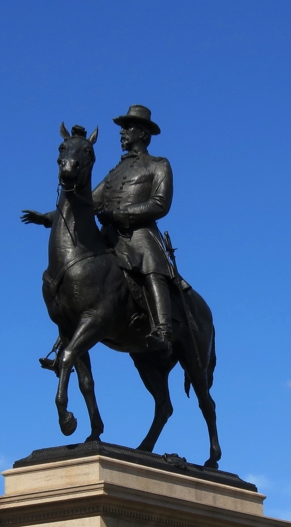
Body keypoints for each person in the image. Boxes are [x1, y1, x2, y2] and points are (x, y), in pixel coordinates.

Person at [91, 104, 176, 353]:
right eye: (122, 129)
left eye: (128, 128)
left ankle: (163, 330)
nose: (122, 133)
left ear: (143, 134)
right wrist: (52, 216)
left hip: (139, 234)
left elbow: (160, 204)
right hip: (109, 237)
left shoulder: (158, 164)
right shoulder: (115, 172)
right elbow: (90, 201)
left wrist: (120, 214)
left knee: (152, 264)